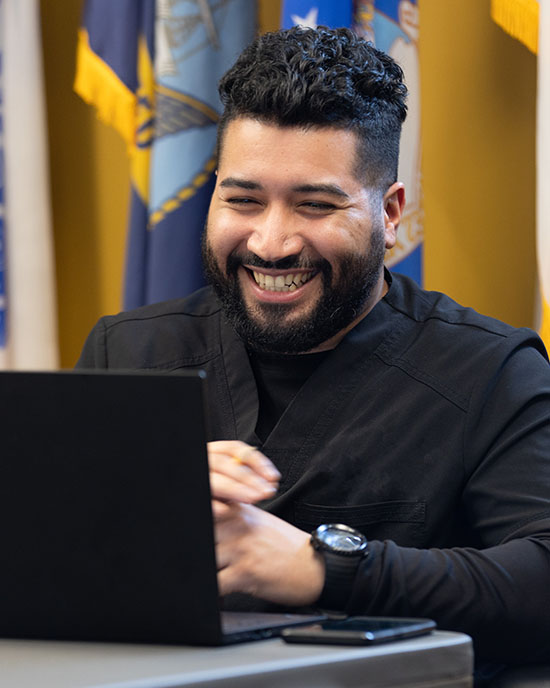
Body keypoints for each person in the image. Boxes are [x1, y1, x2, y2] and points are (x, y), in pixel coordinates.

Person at [77, 26, 550, 673]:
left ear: (390, 212)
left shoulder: (491, 372)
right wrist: (129, 500)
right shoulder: (126, 350)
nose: (271, 243)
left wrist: (321, 568)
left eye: (314, 206)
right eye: (242, 199)